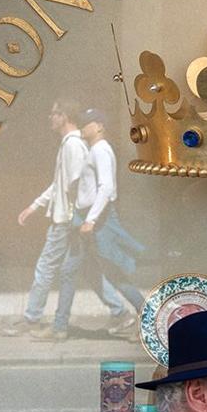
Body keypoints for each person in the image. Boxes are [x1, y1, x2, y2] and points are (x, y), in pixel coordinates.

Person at [8, 99, 95, 341]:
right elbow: (60, 184)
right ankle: (117, 314)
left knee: (46, 267)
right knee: (80, 271)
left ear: (65, 116)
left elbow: (75, 183)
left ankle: (32, 318)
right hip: (67, 217)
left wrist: (73, 217)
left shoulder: (73, 146)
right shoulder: (70, 144)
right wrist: (35, 206)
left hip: (65, 220)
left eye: (54, 113)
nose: (50, 117)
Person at [78, 107, 147, 336]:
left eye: (87, 123)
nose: (82, 127)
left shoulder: (101, 150)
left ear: (99, 126)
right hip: (99, 217)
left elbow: (106, 187)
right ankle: (138, 316)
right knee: (110, 271)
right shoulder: (95, 149)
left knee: (114, 270)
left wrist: (91, 220)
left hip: (103, 218)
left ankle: (147, 317)